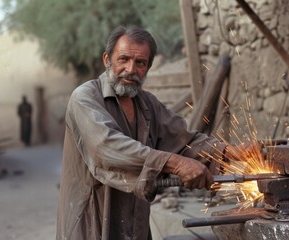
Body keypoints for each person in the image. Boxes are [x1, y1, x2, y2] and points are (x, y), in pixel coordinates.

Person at [56, 26, 241, 240]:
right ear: (107, 59)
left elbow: (185, 140)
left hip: (135, 224)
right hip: (92, 222)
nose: (131, 69)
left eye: (140, 63)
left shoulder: (147, 103)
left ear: (148, 67)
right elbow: (106, 148)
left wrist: (232, 152)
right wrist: (178, 164)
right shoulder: (85, 98)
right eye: (123, 59)